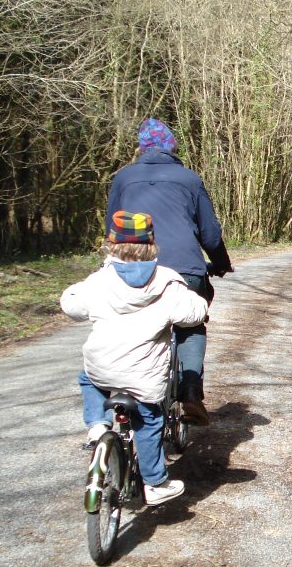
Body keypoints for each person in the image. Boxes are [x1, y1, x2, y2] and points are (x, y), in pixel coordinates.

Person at [61, 211, 209, 506]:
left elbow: (72, 306)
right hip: (144, 376)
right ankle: (154, 483)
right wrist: (200, 307)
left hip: (102, 367)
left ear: (111, 244)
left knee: (89, 379)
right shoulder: (167, 282)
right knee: (150, 419)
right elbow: (194, 313)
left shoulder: (99, 280)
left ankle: (97, 425)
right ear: (152, 244)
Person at [105, 118, 233, 426]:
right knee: (191, 325)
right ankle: (190, 392)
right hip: (184, 268)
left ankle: (125, 391)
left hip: (132, 264)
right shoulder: (189, 179)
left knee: (129, 323)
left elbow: (112, 225)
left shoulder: (123, 178)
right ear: (172, 147)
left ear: (141, 147)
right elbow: (210, 235)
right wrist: (220, 262)